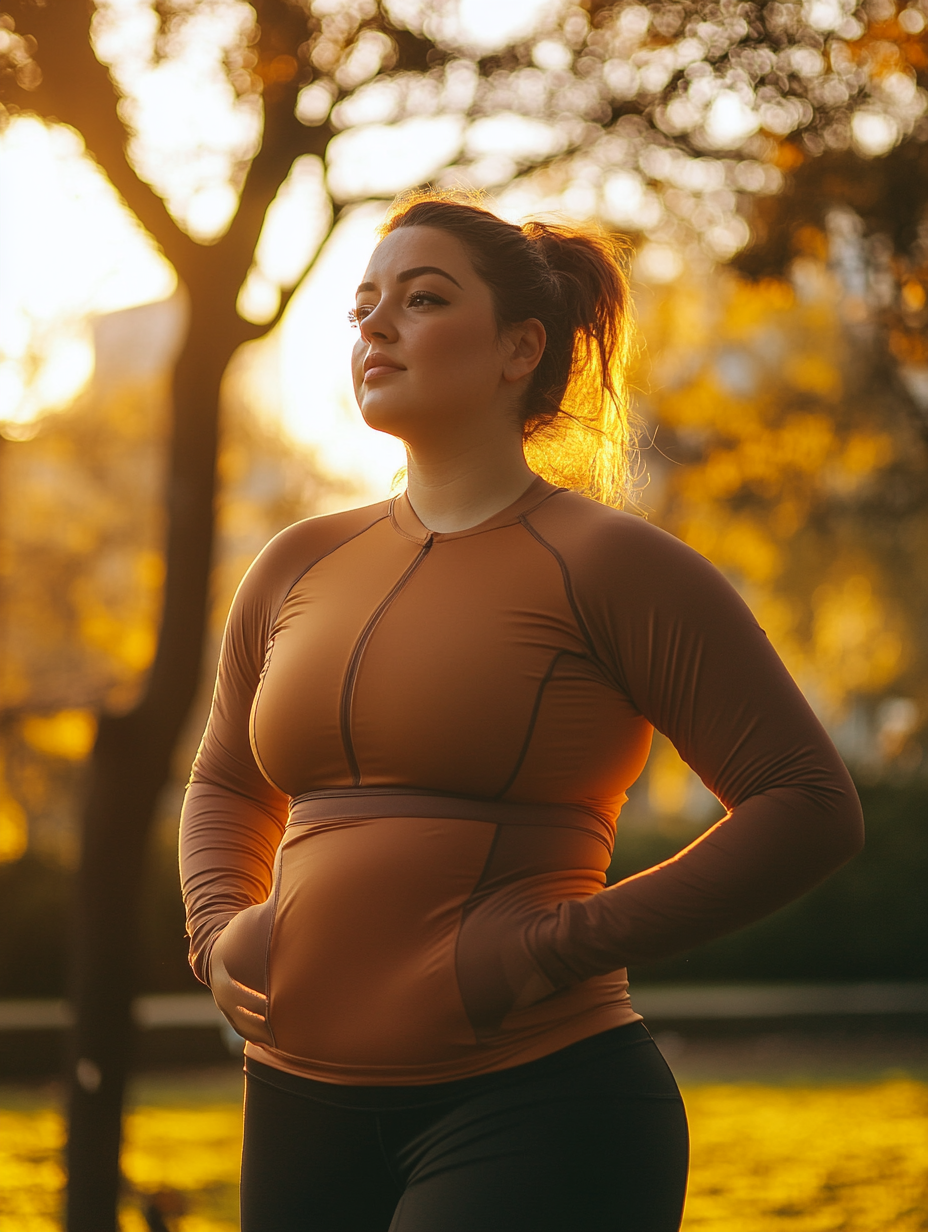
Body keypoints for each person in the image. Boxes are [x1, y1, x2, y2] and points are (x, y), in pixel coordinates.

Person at [179, 193, 864, 1231]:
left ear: (518, 348)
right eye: (364, 303)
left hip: (537, 1101)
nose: (375, 323)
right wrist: (216, 928)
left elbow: (807, 802)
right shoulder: (295, 563)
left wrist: (559, 944)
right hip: (293, 1102)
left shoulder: (610, 564)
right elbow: (228, 779)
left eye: (422, 298)